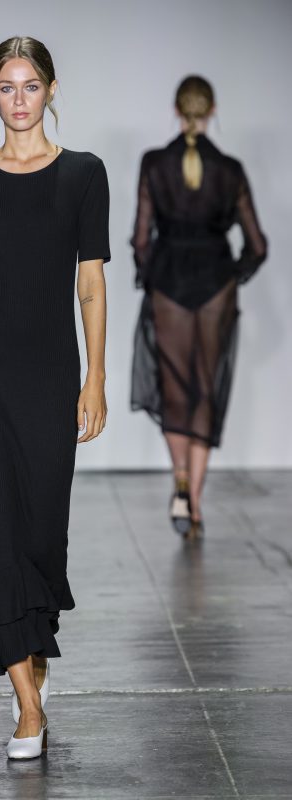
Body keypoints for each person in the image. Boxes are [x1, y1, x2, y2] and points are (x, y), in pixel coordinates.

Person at [0, 36, 110, 759]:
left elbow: (91, 280)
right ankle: (27, 708)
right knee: (0, 536)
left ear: (50, 89)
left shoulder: (83, 174)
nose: (18, 99)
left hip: (49, 377)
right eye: (5, 87)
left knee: (43, 535)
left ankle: (33, 659)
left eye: (29, 85)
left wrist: (95, 377)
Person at [130, 75, 268, 541]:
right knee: (204, 391)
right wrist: (232, 275)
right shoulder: (230, 171)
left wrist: (151, 275)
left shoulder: (154, 164)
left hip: (168, 285)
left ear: (176, 110)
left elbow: (141, 237)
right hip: (214, 288)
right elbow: (257, 246)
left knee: (174, 389)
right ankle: (197, 507)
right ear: (212, 111)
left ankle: (180, 481)